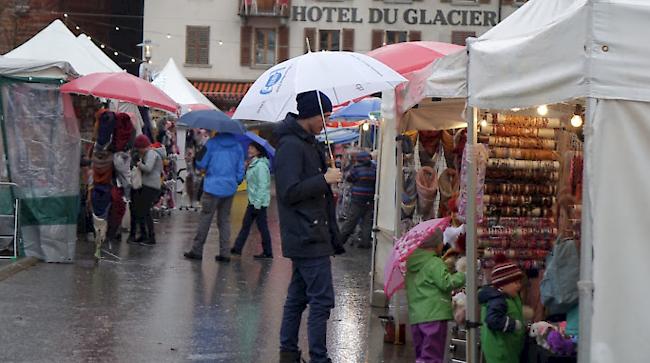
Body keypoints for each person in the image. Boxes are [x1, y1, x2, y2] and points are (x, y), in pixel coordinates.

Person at [275, 91, 345, 363]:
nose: (326, 123)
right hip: (307, 234)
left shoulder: (307, 143)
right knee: (321, 300)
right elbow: (288, 191)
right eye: (324, 117)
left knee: (298, 297)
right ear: (310, 115)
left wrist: (324, 176)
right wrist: (323, 180)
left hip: (310, 231)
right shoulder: (291, 146)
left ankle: (289, 353)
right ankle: (319, 358)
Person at [405, 228, 466, 363]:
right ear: (437, 245)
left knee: (422, 355)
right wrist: (463, 274)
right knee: (432, 355)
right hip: (435, 314)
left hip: (417, 316)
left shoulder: (411, 262)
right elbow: (447, 283)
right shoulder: (435, 263)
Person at [183, 132, 245, 262]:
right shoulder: (238, 146)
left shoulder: (211, 143)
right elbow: (240, 169)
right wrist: (236, 181)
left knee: (206, 218)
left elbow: (201, 164)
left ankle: (197, 250)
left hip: (212, 187)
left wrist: (197, 156)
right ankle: (225, 253)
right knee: (224, 220)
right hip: (229, 188)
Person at [478, 257, 526, 363]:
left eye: (519, 282)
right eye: (515, 283)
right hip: (501, 351)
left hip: (509, 348)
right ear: (502, 285)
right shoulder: (498, 300)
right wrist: (513, 325)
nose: (519, 285)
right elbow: (493, 320)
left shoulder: (510, 296)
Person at [231, 142, 273, 259]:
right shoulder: (253, 164)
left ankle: (268, 252)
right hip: (253, 201)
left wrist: (258, 204)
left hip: (258, 203)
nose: (249, 150)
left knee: (261, 227)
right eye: (249, 147)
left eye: (252, 148)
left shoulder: (260, 166)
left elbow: (263, 185)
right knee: (247, 225)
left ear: (258, 151)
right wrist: (245, 168)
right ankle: (237, 248)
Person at [128, 134, 163, 246]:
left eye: (139, 149)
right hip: (147, 185)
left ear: (143, 147)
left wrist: (138, 163)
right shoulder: (149, 153)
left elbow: (148, 168)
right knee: (141, 211)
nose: (139, 151)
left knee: (145, 212)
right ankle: (143, 236)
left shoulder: (152, 153)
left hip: (151, 186)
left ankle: (150, 237)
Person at [338, 151, 376, 249]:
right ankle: (365, 242)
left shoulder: (356, 169)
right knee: (367, 222)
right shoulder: (374, 168)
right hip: (370, 198)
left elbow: (349, 178)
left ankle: (339, 241)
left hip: (358, 198)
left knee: (351, 220)